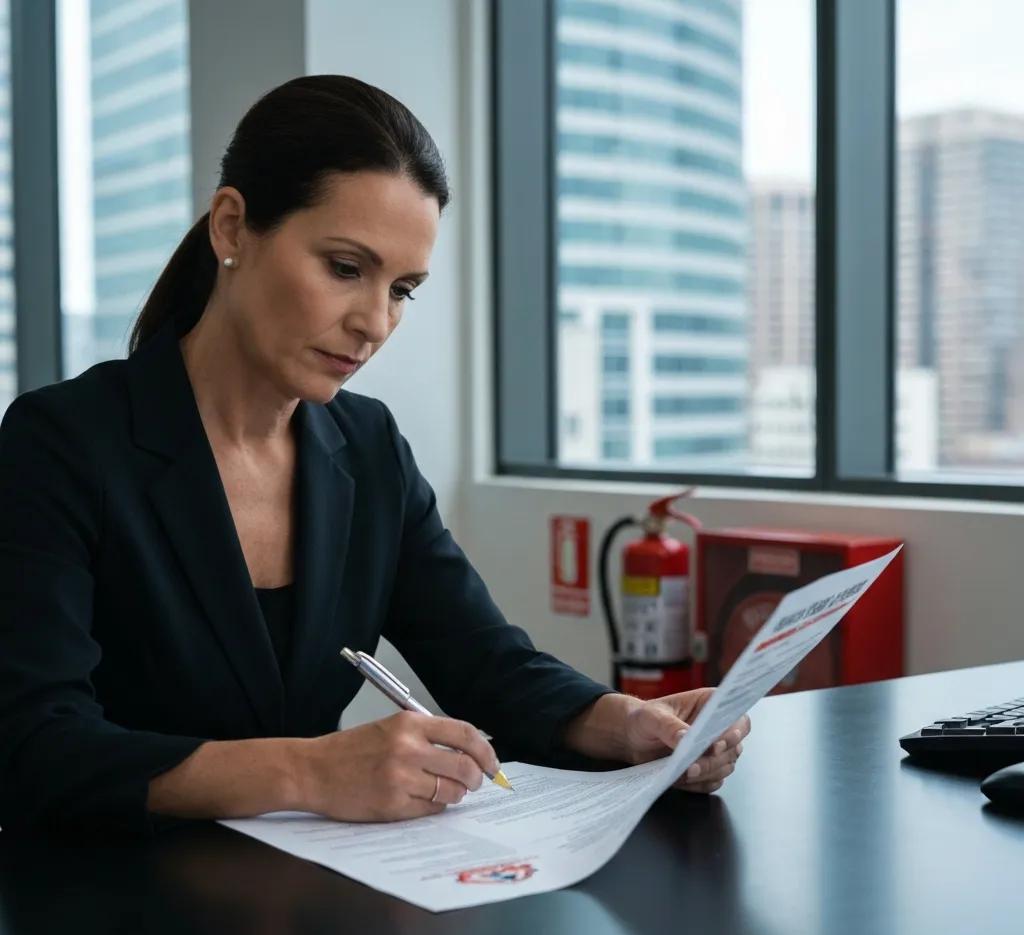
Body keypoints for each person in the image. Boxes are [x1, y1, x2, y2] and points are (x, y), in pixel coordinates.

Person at [0, 75, 749, 834]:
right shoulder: (62, 442)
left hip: (301, 900)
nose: (374, 323)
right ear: (232, 228)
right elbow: (36, 745)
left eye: (404, 289)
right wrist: (307, 769)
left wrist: (622, 722)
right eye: (346, 268)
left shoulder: (368, 447)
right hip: (101, 909)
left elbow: (483, 660)